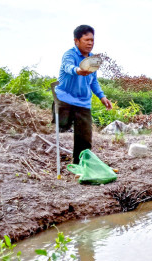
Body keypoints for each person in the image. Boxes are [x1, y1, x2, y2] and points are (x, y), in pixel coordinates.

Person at [53, 24, 112, 164]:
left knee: (85, 137)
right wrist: (78, 70)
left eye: (92, 40)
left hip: (83, 101)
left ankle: (80, 164)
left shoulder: (92, 60)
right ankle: (60, 154)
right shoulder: (69, 55)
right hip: (64, 98)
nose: (90, 43)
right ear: (76, 41)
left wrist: (102, 97)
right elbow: (68, 67)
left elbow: (93, 82)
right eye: (86, 40)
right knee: (61, 128)